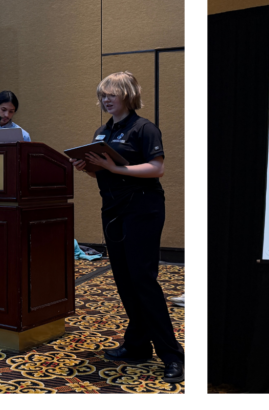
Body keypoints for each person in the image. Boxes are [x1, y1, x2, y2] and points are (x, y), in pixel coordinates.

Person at [69, 71, 183, 383]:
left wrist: (113, 166)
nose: (106, 99)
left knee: (143, 281)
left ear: (127, 96)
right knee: (124, 281)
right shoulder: (101, 132)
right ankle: (137, 346)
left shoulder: (144, 128)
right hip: (114, 210)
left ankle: (172, 355)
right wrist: (89, 168)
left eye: (111, 94)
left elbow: (157, 168)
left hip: (143, 209)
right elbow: (104, 174)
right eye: (103, 94)